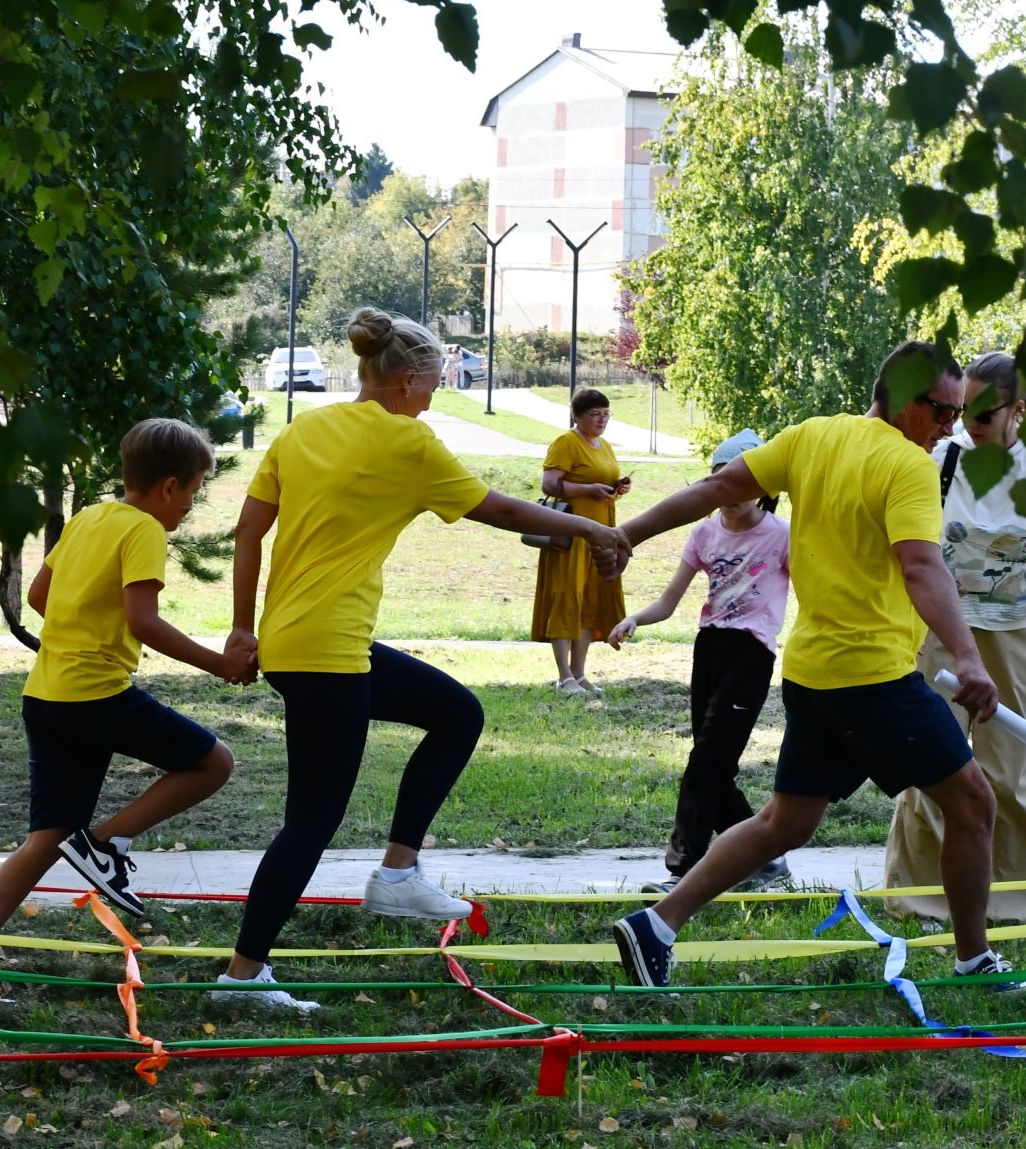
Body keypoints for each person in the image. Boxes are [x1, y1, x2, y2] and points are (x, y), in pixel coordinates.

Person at [218, 307, 629, 1010]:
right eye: (436, 383)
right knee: (311, 820)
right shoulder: (407, 442)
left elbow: (251, 529)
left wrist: (240, 629)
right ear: (407, 382)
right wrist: (587, 532)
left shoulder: (304, 428)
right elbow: (498, 510)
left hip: (295, 640)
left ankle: (400, 870)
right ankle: (243, 976)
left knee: (456, 713)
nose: (436, 396)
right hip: (328, 652)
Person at [608, 341, 1026, 992]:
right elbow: (922, 566)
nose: (951, 428)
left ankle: (657, 925)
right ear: (901, 398)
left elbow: (715, 488)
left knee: (785, 823)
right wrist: (967, 656)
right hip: (871, 676)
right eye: (942, 412)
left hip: (813, 672)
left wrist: (628, 535)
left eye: (960, 414)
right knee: (975, 803)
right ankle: (975, 961)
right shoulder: (908, 466)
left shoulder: (813, 436)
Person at [0, 419, 254, 1000]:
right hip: (94, 693)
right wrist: (219, 664)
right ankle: (102, 843)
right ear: (169, 486)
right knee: (214, 764)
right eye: (195, 491)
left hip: (45, 693)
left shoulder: (88, 518)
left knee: (46, 838)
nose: (190, 506)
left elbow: (40, 597)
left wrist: (81, 629)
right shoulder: (145, 529)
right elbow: (142, 621)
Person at [883, 352, 1026, 926]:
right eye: (959, 408)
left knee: (1012, 773)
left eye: (980, 411)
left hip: (1016, 639)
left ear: (1018, 409)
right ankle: (922, 901)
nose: (964, 421)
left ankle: (1011, 904)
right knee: (930, 768)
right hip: (940, 636)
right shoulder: (941, 458)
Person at [608, 429, 794, 894]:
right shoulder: (703, 533)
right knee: (713, 764)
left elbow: (814, 592)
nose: (731, 494)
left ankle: (683, 869)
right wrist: (635, 618)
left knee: (707, 761)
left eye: (742, 483)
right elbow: (670, 601)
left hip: (751, 653)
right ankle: (766, 859)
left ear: (763, 488)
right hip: (708, 648)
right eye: (721, 482)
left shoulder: (783, 536)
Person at [533, 388, 630, 695]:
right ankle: (564, 676)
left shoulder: (604, 445)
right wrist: (589, 490)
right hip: (571, 533)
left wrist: (615, 489)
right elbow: (550, 484)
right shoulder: (567, 442)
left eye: (606, 414)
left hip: (599, 534)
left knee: (588, 598)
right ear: (577, 415)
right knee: (567, 595)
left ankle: (579, 673)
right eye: (595, 414)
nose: (602, 420)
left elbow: (601, 481)